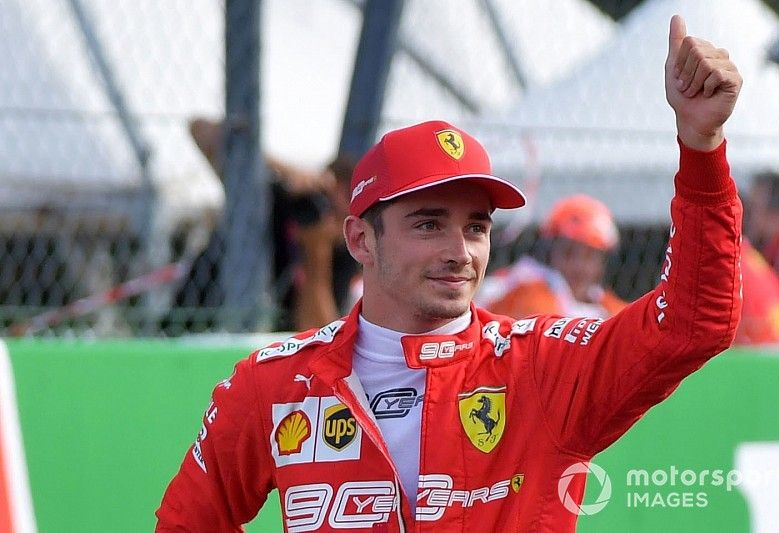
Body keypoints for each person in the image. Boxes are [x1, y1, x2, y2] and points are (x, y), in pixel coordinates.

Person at [156, 16, 743, 532]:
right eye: (429, 225)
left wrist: (702, 147)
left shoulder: (541, 366)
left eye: (477, 227)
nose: (460, 250)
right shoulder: (272, 384)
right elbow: (187, 522)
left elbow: (696, 323)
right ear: (360, 238)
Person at [178, 118, 359, 331]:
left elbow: (320, 334)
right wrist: (289, 172)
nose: (325, 216)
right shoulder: (277, 202)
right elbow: (201, 129)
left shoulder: (342, 253)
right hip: (199, 314)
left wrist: (316, 256)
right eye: (325, 201)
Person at [478, 194, 626, 319]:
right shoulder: (525, 288)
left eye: (589, 256)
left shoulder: (602, 301)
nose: (578, 266)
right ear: (550, 252)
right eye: (568, 253)